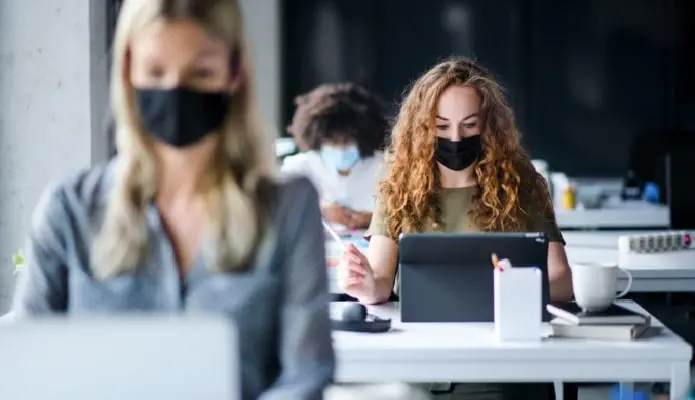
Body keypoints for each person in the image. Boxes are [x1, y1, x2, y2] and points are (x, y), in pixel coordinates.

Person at [12, 0, 334, 398]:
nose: (176, 91)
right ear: (129, 68)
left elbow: (305, 376)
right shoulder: (70, 211)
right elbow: (26, 371)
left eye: (200, 73)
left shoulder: (289, 208)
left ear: (234, 72)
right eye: (155, 71)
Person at [337, 58, 573, 399]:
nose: (456, 137)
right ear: (423, 127)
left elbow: (562, 281)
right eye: (442, 126)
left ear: (489, 126)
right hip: (418, 365)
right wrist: (364, 283)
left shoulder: (523, 185)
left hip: (503, 368)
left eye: (469, 125)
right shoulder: (399, 185)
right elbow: (380, 282)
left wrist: (514, 292)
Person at [282, 83, 388, 229]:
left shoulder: (384, 167)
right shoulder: (299, 168)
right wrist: (320, 210)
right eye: (332, 141)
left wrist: (375, 221)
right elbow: (281, 212)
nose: (340, 148)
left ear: (364, 138)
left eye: (347, 141)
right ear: (317, 138)